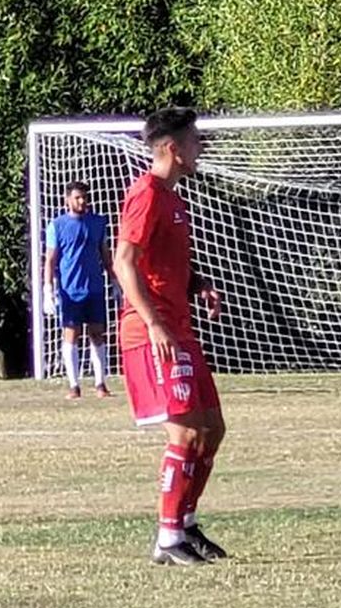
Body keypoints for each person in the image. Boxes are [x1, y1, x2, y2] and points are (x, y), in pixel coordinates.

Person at [112, 107, 229, 565]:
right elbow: (124, 261)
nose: (201, 147)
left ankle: (185, 523)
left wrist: (197, 283)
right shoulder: (146, 194)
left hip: (179, 328)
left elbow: (161, 262)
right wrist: (156, 323)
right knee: (183, 433)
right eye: (195, 140)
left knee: (211, 429)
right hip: (151, 332)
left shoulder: (173, 197)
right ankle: (166, 539)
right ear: (172, 148)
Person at [44, 181, 113, 398]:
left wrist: (115, 281)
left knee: (97, 334)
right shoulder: (57, 225)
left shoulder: (98, 223)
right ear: (67, 200)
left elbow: (105, 255)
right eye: (77, 197)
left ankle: (100, 384)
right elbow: (50, 260)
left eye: (84, 197)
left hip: (94, 288)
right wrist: (48, 289)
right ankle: (74, 386)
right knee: (71, 334)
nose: (82, 201)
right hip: (70, 290)